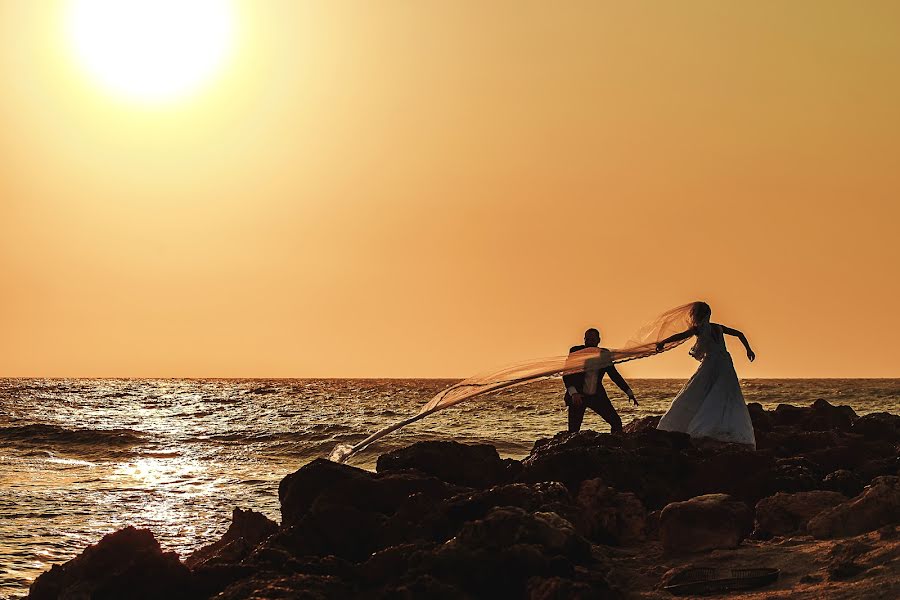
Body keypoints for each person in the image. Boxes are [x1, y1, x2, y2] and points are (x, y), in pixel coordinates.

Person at [655, 302, 757, 447]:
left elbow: (681, 335)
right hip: (725, 361)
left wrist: (663, 342)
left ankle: (702, 427)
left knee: (700, 389)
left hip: (712, 361)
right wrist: (749, 350)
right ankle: (722, 426)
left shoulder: (699, 328)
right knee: (725, 393)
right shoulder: (718, 327)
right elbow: (739, 334)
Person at [563, 328, 637, 433]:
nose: (589, 342)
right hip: (578, 397)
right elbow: (566, 374)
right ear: (584, 340)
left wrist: (628, 392)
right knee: (573, 430)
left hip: (596, 396)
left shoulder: (604, 354)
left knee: (616, 422)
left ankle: (615, 448)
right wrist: (573, 393)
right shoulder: (576, 351)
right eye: (587, 339)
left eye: (592, 339)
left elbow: (614, 375)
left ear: (598, 340)